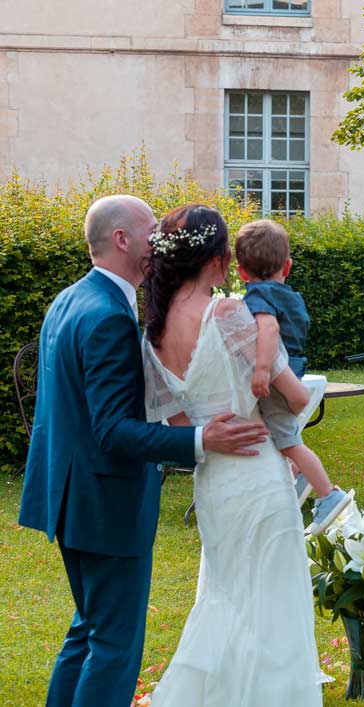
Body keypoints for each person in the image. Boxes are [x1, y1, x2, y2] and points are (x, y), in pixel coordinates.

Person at [18, 195, 269, 707]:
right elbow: (113, 431)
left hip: (68, 495)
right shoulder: (109, 316)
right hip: (106, 502)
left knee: (87, 631)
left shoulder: (69, 300)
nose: (158, 240)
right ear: (121, 239)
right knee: (114, 646)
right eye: (150, 229)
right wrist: (201, 439)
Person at [141, 205, 322, 705]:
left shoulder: (152, 332)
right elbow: (295, 395)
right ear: (220, 260)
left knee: (225, 595)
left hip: (215, 480)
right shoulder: (228, 313)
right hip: (259, 473)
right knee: (276, 600)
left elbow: (177, 425)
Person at [235, 219, 352, 535]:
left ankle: (328, 494)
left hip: (276, 381)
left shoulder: (257, 295)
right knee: (279, 438)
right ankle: (296, 477)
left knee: (290, 440)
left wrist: (261, 369)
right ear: (287, 266)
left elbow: (269, 329)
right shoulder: (292, 296)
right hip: (295, 371)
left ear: (241, 272)